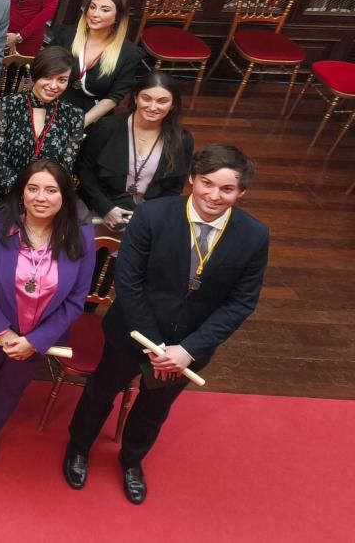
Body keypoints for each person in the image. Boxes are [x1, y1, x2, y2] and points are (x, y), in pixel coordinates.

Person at [65, 145, 269, 505]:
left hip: (188, 349)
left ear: (241, 194)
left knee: (154, 409)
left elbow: (241, 303)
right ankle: (79, 448)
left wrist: (187, 350)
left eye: (227, 190)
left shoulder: (254, 235)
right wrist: (156, 346)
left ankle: (131, 460)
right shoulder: (152, 215)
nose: (214, 195)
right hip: (132, 334)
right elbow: (127, 283)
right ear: (192, 179)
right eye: (207, 183)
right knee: (100, 393)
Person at [0, 159, 92, 468]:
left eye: (51, 190)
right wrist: (3, 331)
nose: (41, 197)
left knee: (11, 385)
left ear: (65, 196)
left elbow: (76, 300)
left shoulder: (81, 237)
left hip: (39, 337)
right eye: (33, 188)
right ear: (21, 192)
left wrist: (35, 340)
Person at [76, 71, 194, 233]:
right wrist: (105, 208)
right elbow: (84, 170)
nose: (153, 107)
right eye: (146, 98)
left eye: (162, 101)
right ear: (135, 98)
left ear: (173, 104)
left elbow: (175, 187)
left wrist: (150, 215)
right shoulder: (107, 127)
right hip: (98, 207)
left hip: (150, 215)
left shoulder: (183, 139)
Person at [0, 47, 84, 208]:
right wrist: (22, 195)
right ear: (36, 74)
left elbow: (64, 167)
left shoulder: (74, 115)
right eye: (48, 77)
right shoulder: (5, 106)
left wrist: (38, 197)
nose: (53, 86)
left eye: (62, 80)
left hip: (43, 201)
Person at [50, 0, 145, 127]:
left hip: (90, 116)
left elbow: (114, 97)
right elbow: (44, 72)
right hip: (52, 103)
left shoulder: (128, 53)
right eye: (92, 7)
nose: (95, 14)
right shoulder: (66, 36)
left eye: (105, 10)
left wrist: (81, 123)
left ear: (117, 18)